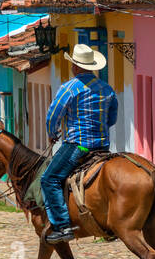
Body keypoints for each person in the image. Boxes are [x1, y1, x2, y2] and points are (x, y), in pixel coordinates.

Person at [41, 43, 118, 243]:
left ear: (75, 66)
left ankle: (62, 225)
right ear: (92, 66)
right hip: (102, 147)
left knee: (49, 179)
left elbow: (53, 116)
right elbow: (112, 118)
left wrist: (52, 133)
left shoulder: (69, 88)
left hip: (79, 146)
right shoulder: (107, 89)